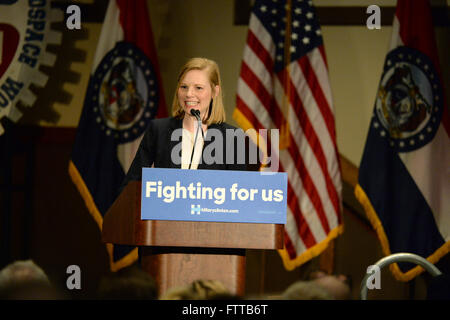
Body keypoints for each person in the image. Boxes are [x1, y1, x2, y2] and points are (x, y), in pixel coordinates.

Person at [122, 57, 247, 188]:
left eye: (198, 88)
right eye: (184, 87)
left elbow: (238, 193)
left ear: (215, 92)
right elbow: (131, 185)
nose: (189, 94)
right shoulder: (158, 130)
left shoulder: (232, 137)